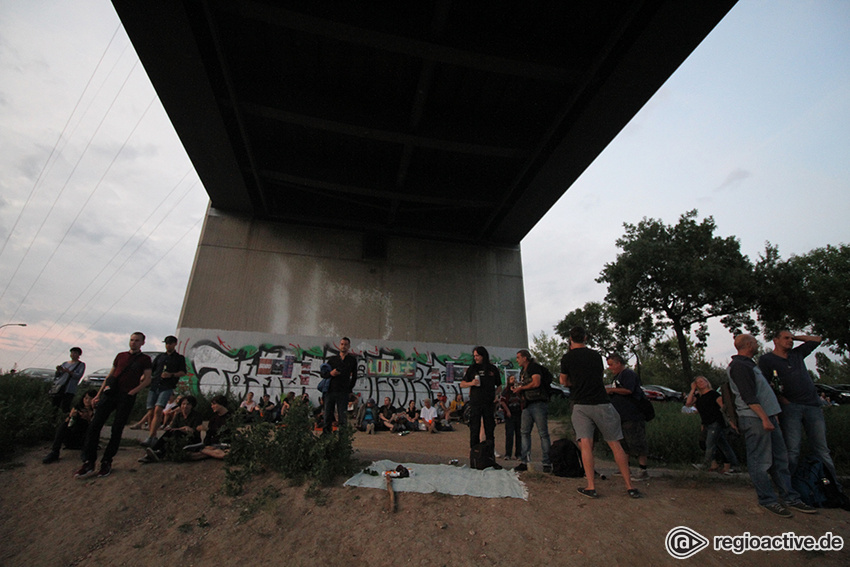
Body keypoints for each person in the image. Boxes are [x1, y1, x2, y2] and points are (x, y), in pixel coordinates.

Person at [727, 334, 816, 517]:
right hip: (756, 420)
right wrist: (765, 419)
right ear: (749, 345)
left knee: (780, 459)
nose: (758, 344)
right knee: (760, 461)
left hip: (768, 418)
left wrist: (771, 417)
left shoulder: (750, 364)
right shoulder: (739, 366)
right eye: (755, 341)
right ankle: (768, 499)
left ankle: (790, 497)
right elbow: (748, 396)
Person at [559, 327, 640, 499]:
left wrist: (574, 382)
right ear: (586, 338)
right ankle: (629, 486)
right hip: (602, 402)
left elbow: (563, 381)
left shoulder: (567, 357)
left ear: (570, 339)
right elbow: (598, 375)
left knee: (586, 444)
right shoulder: (596, 355)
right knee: (615, 443)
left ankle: (591, 486)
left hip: (581, 404)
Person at [758, 330, 841, 490]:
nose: (790, 341)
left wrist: (796, 337)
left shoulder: (796, 354)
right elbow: (765, 383)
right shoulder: (767, 359)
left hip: (812, 406)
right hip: (791, 408)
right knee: (793, 450)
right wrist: (782, 400)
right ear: (775, 340)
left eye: (791, 338)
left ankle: (833, 487)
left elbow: (817, 339)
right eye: (786, 338)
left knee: (822, 449)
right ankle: (788, 487)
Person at [76, 332, 153, 479]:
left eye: (137, 341)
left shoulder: (145, 359)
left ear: (142, 343)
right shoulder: (120, 356)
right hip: (110, 394)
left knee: (117, 429)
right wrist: (98, 395)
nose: (133, 343)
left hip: (126, 396)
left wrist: (133, 392)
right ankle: (88, 462)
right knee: (94, 426)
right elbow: (111, 376)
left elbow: (147, 379)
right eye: (131, 340)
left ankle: (106, 462)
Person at [605, 354, 649, 480]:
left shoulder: (628, 374)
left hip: (632, 415)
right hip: (621, 416)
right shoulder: (617, 376)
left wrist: (612, 390)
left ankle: (643, 470)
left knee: (637, 442)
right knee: (624, 443)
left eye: (611, 364)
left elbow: (629, 390)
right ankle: (625, 468)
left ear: (619, 363)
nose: (610, 368)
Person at [685, 376, 739, 474]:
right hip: (707, 423)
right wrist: (692, 389)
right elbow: (688, 403)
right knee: (724, 445)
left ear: (707, 382)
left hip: (716, 422)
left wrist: (731, 421)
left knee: (710, 444)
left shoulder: (714, 394)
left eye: (702, 381)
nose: (700, 383)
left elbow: (724, 407)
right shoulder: (698, 397)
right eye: (697, 382)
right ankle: (735, 464)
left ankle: (706, 464)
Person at [141, 336, 187, 447]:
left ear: (175, 344)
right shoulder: (160, 357)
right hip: (155, 385)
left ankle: (151, 436)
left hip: (167, 386)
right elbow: (152, 369)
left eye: (170, 343)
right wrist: (144, 376)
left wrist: (171, 374)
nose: (168, 345)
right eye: (167, 343)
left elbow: (183, 372)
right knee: (150, 411)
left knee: (158, 409)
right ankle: (153, 435)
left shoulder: (179, 358)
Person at [511, 350, 551, 473]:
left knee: (543, 433)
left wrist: (521, 388)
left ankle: (547, 462)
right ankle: (525, 461)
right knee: (524, 432)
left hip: (538, 402)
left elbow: (536, 382)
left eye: (518, 357)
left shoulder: (534, 367)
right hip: (527, 404)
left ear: (525, 358)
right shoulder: (523, 371)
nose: (517, 360)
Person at [460, 346, 502, 451]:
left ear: (483, 355)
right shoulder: (472, 368)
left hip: (488, 403)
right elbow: (462, 384)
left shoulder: (492, 369)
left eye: (477, 355)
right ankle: (474, 452)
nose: (476, 358)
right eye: (474, 356)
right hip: (475, 402)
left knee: (489, 428)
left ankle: (490, 452)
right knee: (474, 428)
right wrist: (471, 383)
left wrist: (495, 394)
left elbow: (500, 385)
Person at [139, 395, 203, 463]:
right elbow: (173, 427)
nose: (185, 406)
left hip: (191, 438)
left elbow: (194, 430)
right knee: (170, 432)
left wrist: (183, 429)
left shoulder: (197, 416)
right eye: (183, 404)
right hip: (178, 435)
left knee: (176, 433)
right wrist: (181, 428)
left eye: (188, 404)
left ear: (192, 406)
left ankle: (158, 452)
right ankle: (154, 451)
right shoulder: (178, 416)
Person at [43, 390, 96, 464]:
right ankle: (55, 452)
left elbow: (96, 428)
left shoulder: (96, 411)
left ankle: (86, 453)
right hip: (72, 436)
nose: (87, 401)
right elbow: (68, 423)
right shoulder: (78, 407)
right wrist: (71, 416)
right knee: (64, 425)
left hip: (84, 439)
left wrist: (88, 419)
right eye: (86, 398)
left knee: (90, 429)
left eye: (90, 399)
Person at [323, 337, 358, 431]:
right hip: (330, 391)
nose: (343, 346)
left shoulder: (352, 360)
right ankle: (326, 437)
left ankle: (342, 439)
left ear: (349, 346)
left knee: (342, 416)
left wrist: (349, 389)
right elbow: (323, 373)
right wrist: (331, 373)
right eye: (342, 344)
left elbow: (354, 376)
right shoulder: (333, 359)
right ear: (339, 345)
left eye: (346, 344)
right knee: (327, 415)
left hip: (343, 392)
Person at [51, 347, 86, 413]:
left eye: (75, 353)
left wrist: (69, 372)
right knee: (55, 406)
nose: (73, 354)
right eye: (72, 353)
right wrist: (59, 370)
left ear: (79, 355)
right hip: (60, 386)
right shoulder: (65, 363)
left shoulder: (81, 365)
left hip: (69, 389)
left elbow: (78, 375)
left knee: (65, 406)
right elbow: (58, 375)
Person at [499, 375, 522, 460]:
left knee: (519, 434)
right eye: (512, 379)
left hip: (518, 413)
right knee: (509, 434)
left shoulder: (518, 390)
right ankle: (508, 454)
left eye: (514, 378)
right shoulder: (506, 391)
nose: (514, 380)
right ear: (508, 380)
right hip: (510, 414)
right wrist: (507, 411)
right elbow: (502, 401)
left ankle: (518, 454)